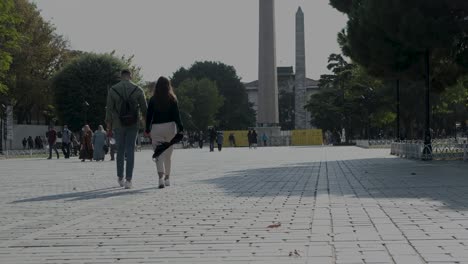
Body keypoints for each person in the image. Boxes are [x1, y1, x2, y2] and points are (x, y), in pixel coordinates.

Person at [106, 69, 148, 189]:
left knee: (120, 150)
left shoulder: (113, 90)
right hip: (133, 124)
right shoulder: (138, 89)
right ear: (131, 76)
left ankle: (120, 177)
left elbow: (108, 110)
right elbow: (145, 110)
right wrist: (146, 126)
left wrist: (109, 127)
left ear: (120, 76)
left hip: (118, 124)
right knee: (130, 150)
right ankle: (129, 180)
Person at [145, 76, 183, 189]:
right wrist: (181, 127)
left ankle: (160, 178)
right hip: (170, 128)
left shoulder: (153, 99)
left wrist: (147, 129)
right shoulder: (172, 98)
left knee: (158, 154)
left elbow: (149, 116)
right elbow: (177, 115)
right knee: (168, 155)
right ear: (168, 85)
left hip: (157, 128)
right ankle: (167, 178)